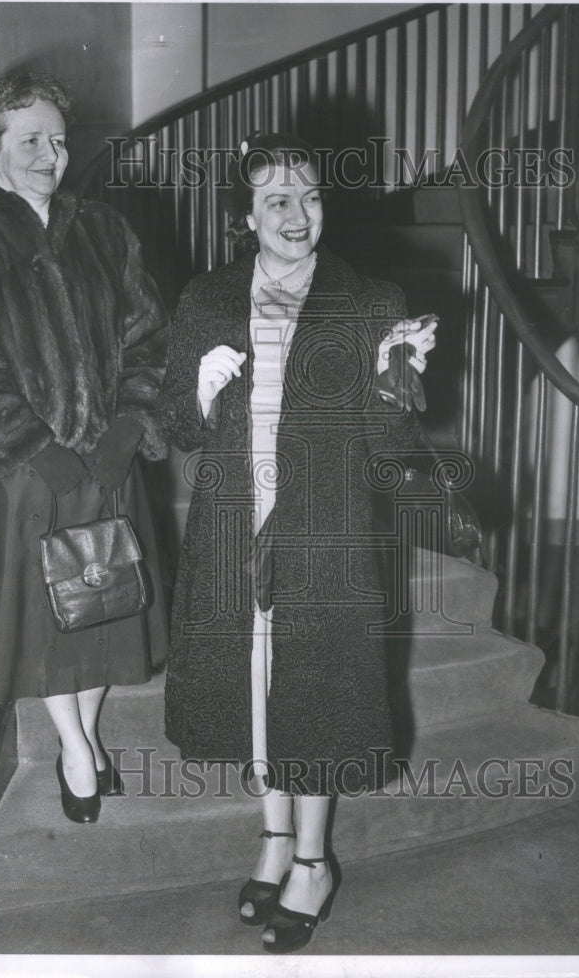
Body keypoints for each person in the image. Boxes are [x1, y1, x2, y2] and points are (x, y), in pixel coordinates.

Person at [159, 132, 437, 952]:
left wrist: (404, 378)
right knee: (254, 685)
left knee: (318, 689)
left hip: (325, 526)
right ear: (243, 215)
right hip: (232, 522)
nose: (297, 214)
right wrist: (202, 396)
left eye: (311, 197)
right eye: (276, 199)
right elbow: (174, 425)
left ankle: (312, 860)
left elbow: (387, 445)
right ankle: (274, 841)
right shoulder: (205, 298)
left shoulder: (369, 297)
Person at [0, 71, 168, 825]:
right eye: (29, 140)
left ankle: (85, 735)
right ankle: (74, 747)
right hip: (27, 471)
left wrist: (125, 431)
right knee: (55, 625)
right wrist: (45, 452)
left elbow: (149, 341)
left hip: (110, 459)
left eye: (58, 141)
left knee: (102, 608)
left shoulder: (103, 229)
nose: (49, 155)